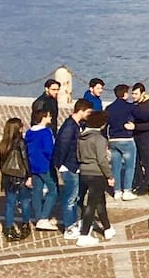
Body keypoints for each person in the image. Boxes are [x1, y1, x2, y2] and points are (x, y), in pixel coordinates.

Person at [76, 111, 113, 246]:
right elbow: (102, 160)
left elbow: (78, 155)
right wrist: (109, 175)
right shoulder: (100, 139)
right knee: (92, 205)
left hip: (84, 172)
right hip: (97, 174)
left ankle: (107, 228)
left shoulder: (81, 137)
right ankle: (84, 234)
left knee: (99, 201)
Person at [54, 99, 90, 240]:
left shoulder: (76, 125)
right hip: (69, 166)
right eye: (87, 112)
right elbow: (62, 146)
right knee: (70, 198)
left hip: (73, 166)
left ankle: (74, 223)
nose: (89, 115)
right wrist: (61, 164)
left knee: (74, 197)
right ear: (81, 110)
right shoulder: (69, 127)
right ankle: (69, 227)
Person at [0, 116, 32, 242]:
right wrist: (29, 176)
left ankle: (8, 229)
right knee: (25, 202)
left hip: (7, 177)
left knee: (10, 204)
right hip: (20, 176)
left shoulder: (3, 144)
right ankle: (25, 225)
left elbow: (1, 164)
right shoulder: (21, 142)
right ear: (19, 129)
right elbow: (25, 160)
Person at [24, 108, 59, 232]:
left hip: (33, 165)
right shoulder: (46, 132)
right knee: (53, 191)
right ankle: (43, 218)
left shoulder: (29, 132)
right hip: (45, 165)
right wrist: (56, 161)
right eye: (49, 116)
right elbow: (49, 149)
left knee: (37, 191)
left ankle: (38, 217)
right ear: (43, 117)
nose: (50, 118)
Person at [103, 84, 138, 201]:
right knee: (129, 166)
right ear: (125, 94)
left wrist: (106, 139)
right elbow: (139, 116)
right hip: (126, 139)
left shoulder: (109, 108)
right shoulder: (130, 107)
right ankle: (127, 190)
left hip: (113, 139)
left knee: (115, 166)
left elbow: (104, 126)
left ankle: (116, 191)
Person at [130, 83, 149, 196]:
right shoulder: (134, 104)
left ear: (142, 94)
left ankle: (146, 183)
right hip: (135, 136)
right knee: (136, 160)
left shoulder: (147, 105)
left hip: (144, 137)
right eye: (132, 93)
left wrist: (135, 126)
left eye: (136, 94)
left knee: (146, 160)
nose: (133, 96)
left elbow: (148, 125)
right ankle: (138, 181)